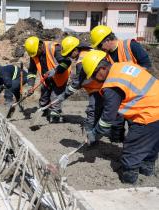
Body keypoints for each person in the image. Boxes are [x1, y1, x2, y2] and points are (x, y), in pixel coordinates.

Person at [82, 50, 159, 184]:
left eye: (94, 75)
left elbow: (107, 118)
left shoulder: (111, 85)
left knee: (132, 148)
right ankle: (147, 170)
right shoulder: (121, 66)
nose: (94, 79)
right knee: (151, 143)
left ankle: (129, 180)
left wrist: (94, 134)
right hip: (155, 106)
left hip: (148, 113)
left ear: (103, 68)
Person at [57, 36, 124, 142]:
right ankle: (115, 136)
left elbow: (77, 83)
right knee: (112, 111)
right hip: (106, 84)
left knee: (93, 111)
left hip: (97, 88)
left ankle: (90, 135)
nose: (70, 57)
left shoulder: (80, 62)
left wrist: (64, 95)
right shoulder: (90, 51)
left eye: (70, 54)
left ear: (75, 50)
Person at [24, 36, 71, 123]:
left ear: (40, 46)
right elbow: (31, 71)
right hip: (46, 78)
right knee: (44, 98)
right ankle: (44, 110)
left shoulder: (54, 48)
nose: (35, 56)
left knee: (55, 98)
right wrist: (30, 85)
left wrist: (55, 71)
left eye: (36, 53)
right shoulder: (34, 53)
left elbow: (66, 62)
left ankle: (55, 115)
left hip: (60, 77)